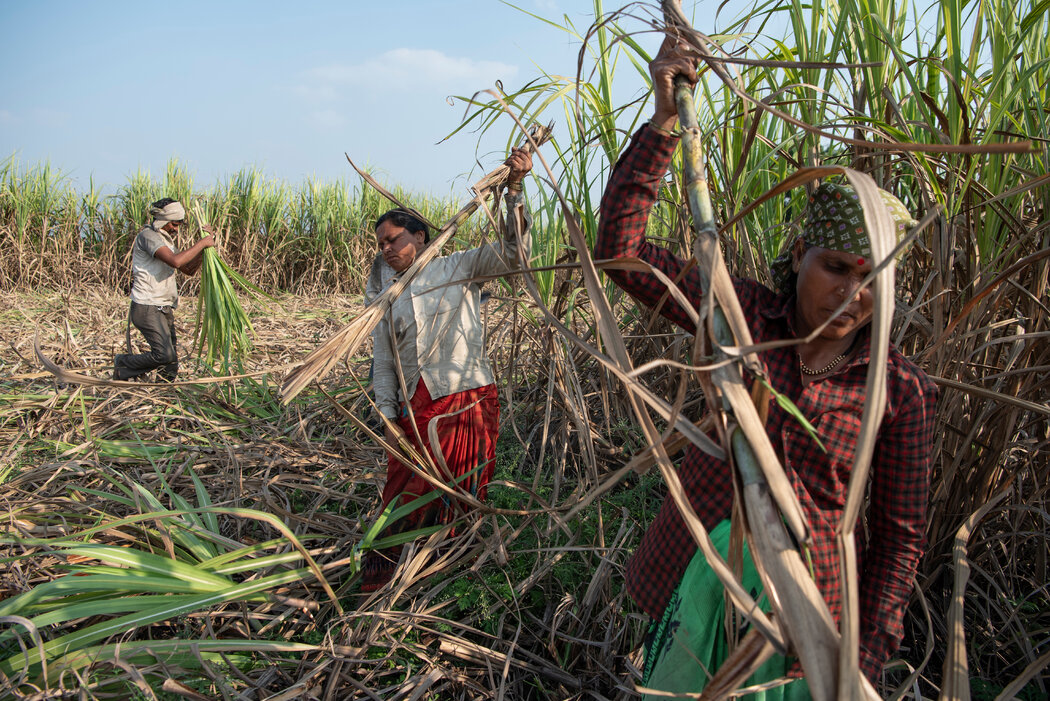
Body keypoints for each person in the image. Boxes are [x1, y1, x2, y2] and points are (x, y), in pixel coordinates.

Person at [594, 41, 938, 696]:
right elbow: (621, 251)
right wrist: (665, 121)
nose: (851, 295)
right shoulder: (740, 315)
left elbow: (900, 540)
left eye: (873, 280)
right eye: (835, 268)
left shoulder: (897, 390)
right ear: (801, 252)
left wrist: (862, 658)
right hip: (699, 581)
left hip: (806, 616)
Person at [361, 148, 534, 592]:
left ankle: (450, 572)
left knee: (463, 489)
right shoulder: (387, 296)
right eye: (381, 244)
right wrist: (387, 416)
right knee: (404, 490)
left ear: (419, 236)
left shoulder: (459, 267)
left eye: (393, 239)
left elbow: (515, 254)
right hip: (415, 411)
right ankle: (388, 580)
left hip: (466, 398)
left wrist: (515, 190)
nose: (386, 249)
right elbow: (385, 361)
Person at [114, 198, 215, 381]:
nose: (176, 229)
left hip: (163, 305)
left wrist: (205, 249)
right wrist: (202, 243)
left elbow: (188, 269)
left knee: (171, 363)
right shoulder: (148, 236)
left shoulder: (165, 241)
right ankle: (123, 363)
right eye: (174, 224)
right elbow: (175, 261)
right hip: (147, 306)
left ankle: (164, 391)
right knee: (164, 354)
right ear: (163, 220)